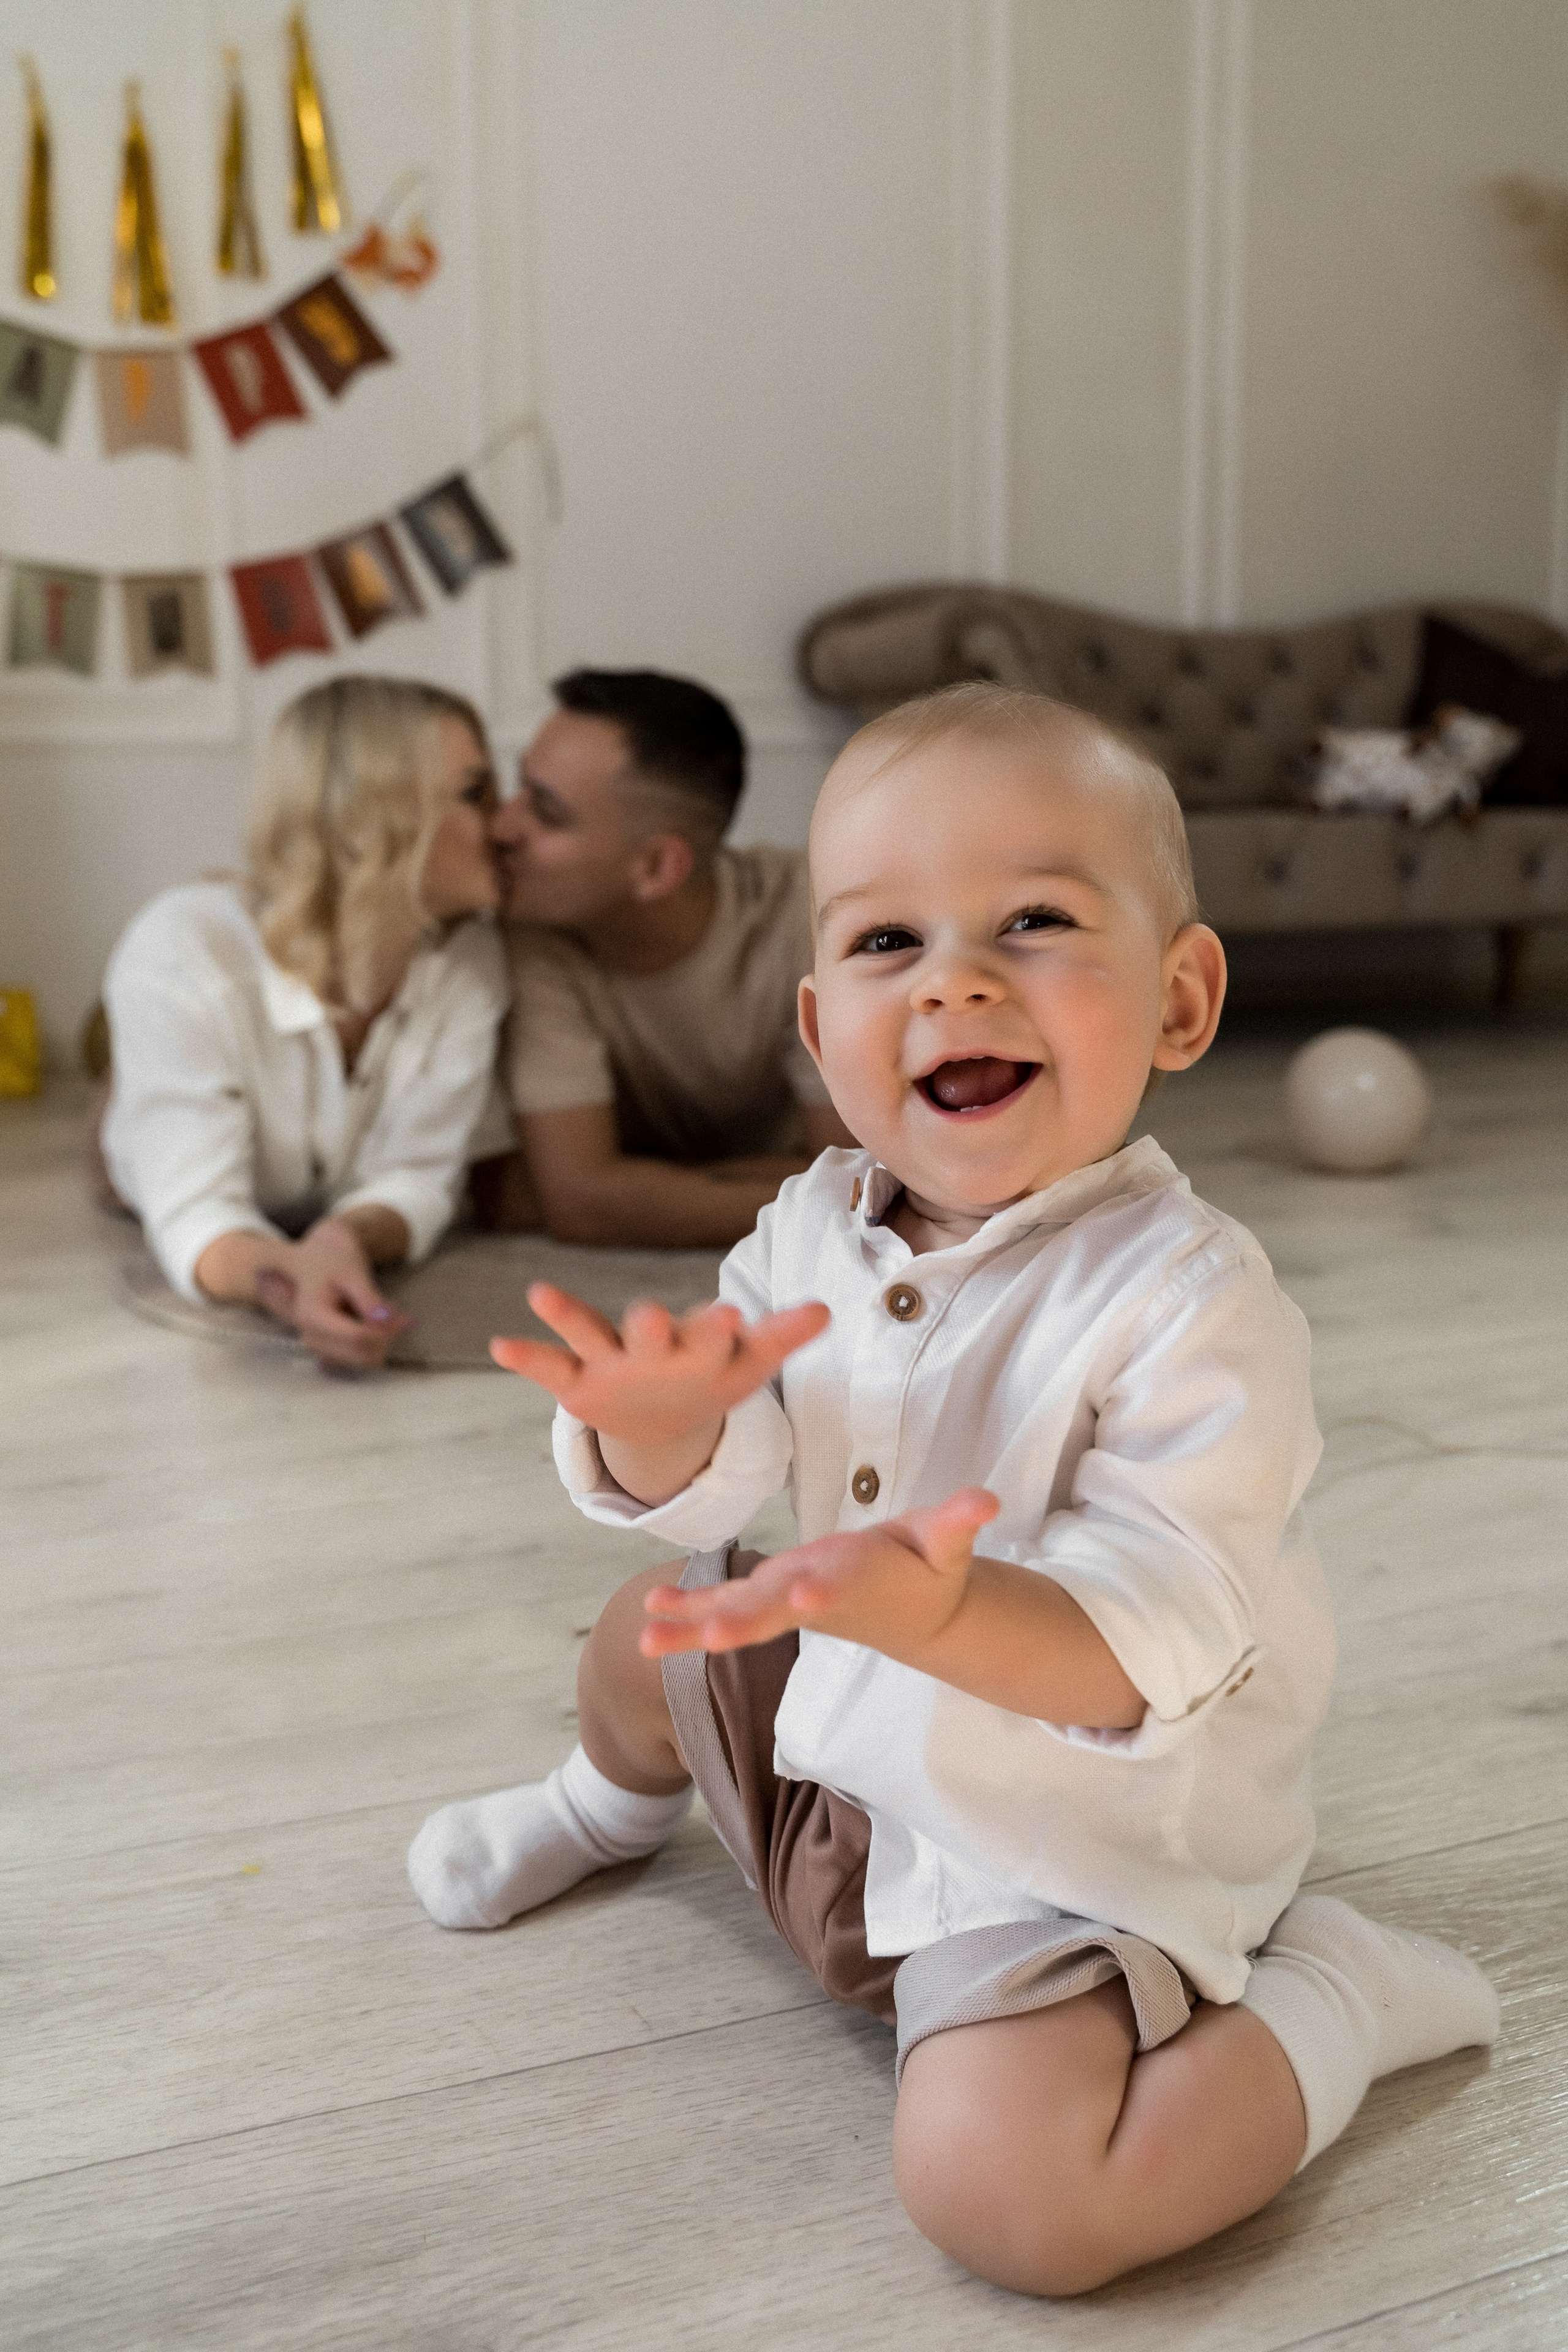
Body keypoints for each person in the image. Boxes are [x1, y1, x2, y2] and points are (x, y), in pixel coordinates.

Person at [408, 685, 1499, 2296]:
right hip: (843, 1752)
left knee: (1015, 2203)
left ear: (1182, 999)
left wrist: (948, 1613)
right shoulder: (812, 1224)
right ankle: (600, 1811)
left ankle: (1332, 1995)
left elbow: (1158, 1628)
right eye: (884, 944)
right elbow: (746, 1453)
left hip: (1055, 1848)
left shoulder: (1193, 1300)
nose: (957, 981)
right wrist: (658, 1430)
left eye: (1037, 919)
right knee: (650, 1627)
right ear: (817, 1029)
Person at [102, 675, 509, 1373]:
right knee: (128, 1153)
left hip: (308, 1176)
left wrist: (338, 1240)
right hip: (145, 1130)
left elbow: (419, 1177)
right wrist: (289, 1282)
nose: (504, 823)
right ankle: (111, 1096)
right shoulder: (180, 950)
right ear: (374, 820)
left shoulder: (471, 963)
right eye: (474, 794)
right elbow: (195, 1218)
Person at [474, 668, 855, 1246]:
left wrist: (621, 1187)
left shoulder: (812, 916)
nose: (500, 826)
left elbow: (863, 1181)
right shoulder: (536, 929)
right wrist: (797, 1182)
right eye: (519, 786)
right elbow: (580, 1204)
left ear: (655, 869)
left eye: (545, 812)